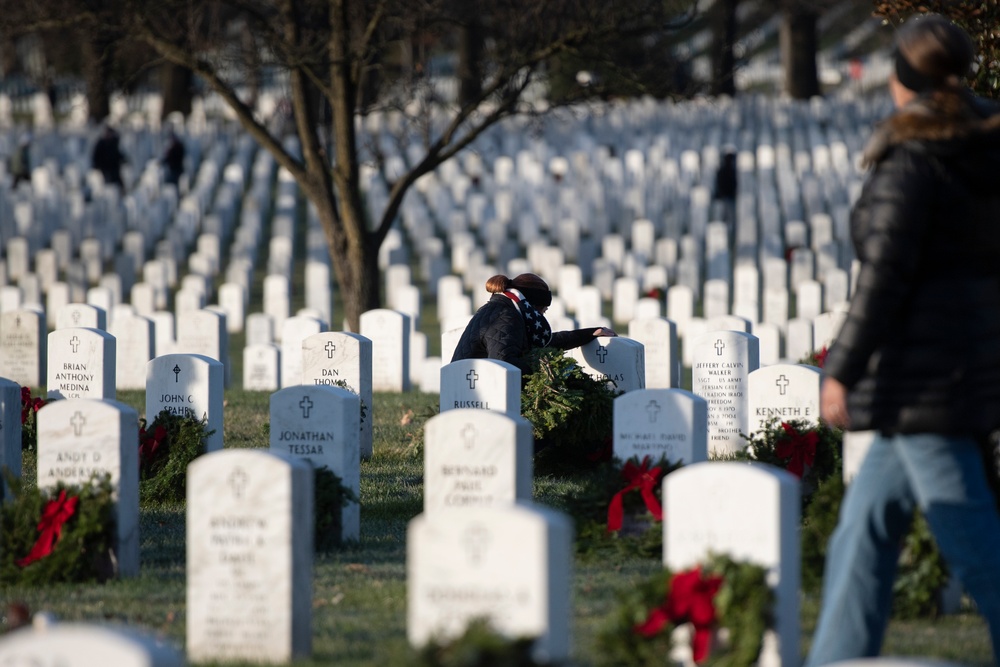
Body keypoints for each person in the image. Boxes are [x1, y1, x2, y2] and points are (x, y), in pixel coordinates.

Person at [806, 15, 1000, 666]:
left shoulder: (913, 162)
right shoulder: (980, 148)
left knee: (976, 548)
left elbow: (884, 278)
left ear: (906, 78)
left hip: (924, 382)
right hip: (945, 373)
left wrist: (843, 368)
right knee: (860, 537)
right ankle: (836, 658)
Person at [451, 273, 617, 377]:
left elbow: (544, 342)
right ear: (532, 304)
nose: (544, 312)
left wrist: (589, 333)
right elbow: (504, 362)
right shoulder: (506, 317)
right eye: (543, 308)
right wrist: (547, 371)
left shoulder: (504, 309)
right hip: (474, 389)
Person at [91, 125, 126, 189]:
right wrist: (96, 166)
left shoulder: (114, 143)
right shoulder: (101, 144)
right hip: (104, 169)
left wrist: (123, 160)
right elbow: (96, 156)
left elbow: (118, 154)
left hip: (114, 169)